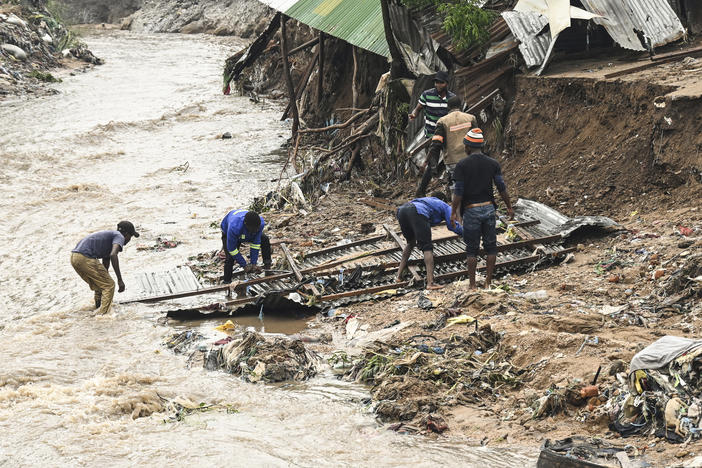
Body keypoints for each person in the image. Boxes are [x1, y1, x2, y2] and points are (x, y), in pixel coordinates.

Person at [450, 128, 514, 290]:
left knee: (472, 249)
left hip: (472, 210)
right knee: (491, 246)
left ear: (468, 147)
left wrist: (453, 212)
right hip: (489, 209)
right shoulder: (493, 164)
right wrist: (509, 206)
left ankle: (472, 285)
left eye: (465, 146)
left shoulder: (462, 165)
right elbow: (501, 187)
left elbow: (458, 192)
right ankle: (488, 283)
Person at [396, 192, 463, 290]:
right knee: (427, 248)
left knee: (410, 243)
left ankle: (398, 276)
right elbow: (452, 225)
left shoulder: (426, 200)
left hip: (402, 211)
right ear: (443, 200)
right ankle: (430, 283)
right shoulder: (444, 205)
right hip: (417, 212)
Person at [70, 221, 139, 315]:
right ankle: (102, 316)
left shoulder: (110, 236)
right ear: (126, 234)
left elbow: (106, 260)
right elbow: (113, 254)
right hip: (85, 258)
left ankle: (97, 308)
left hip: (75, 257)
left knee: (101, 285)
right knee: (109, 285)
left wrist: (105, 275)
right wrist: (120, 280)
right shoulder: (119, 236)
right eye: (130, 237)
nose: (128, 240)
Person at [416, 94, 477, 197]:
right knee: (472, 185)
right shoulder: (471, 118)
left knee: (456, 188)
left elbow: (436, 144)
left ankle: (457, 210)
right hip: (470, 159)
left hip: (452, 160)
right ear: (460, 105)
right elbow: (477, 139)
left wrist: (433, 164)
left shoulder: (442, 121)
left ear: (448, 107)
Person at [221, 209, 272, 283]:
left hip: (246, 232)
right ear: (245, 224)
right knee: (230, 258)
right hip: (229, 231)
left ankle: (268, 268)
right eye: (253, 230)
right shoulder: (234, 227)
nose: (255, 231)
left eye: (257, 229)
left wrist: (253, 263)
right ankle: (227, 282)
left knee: (265, 239)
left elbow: (255, 245)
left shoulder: (260, 224)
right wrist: (244, 265)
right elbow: (232, 249)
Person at [409, 70, 456, 138]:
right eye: (436, 82)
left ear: (447, 83)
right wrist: (414, 114)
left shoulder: (452, 98)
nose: (438, 85)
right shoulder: (426, 95)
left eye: (441, 82)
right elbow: (418, 109)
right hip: (430, 137)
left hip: (446, 136)